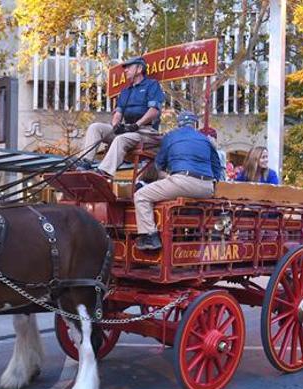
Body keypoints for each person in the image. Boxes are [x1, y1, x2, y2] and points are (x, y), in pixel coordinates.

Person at [133, 111, 224, 251]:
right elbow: (217, 167)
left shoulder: (171, 137)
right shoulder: (206, 139)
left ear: (179, 124)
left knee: (141, 196)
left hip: (183, 181)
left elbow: (158, 165)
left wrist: (168, 175)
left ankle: (150, 236)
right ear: (195, 125)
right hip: (207, 188)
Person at [79, 56, 165, 178]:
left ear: (139, 68)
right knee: (95, 127)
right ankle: (85, 163)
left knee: (121, 139)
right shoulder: (126, 91)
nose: (125, 70)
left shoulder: (152, 85)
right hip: (127, 129)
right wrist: (115, 126)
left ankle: (103, 173)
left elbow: (154, 111)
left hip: (145, 131)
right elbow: (118, 113)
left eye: (129, 67)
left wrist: (137, 124)